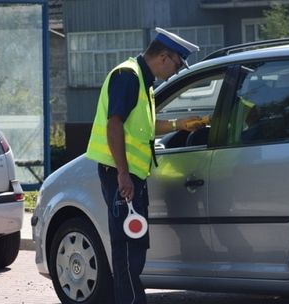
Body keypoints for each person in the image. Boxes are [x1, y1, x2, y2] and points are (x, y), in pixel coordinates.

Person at [85, 27, 204, 304]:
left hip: (130, 176)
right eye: (177, 64)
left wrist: (179, 125)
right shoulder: (128, 76)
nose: (176, 72)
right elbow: (114, 125)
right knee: (127, 249)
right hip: (120, 176)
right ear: (164, 56)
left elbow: (142, 129)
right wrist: (123, 175)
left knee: (134, 245)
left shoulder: (142, 80)